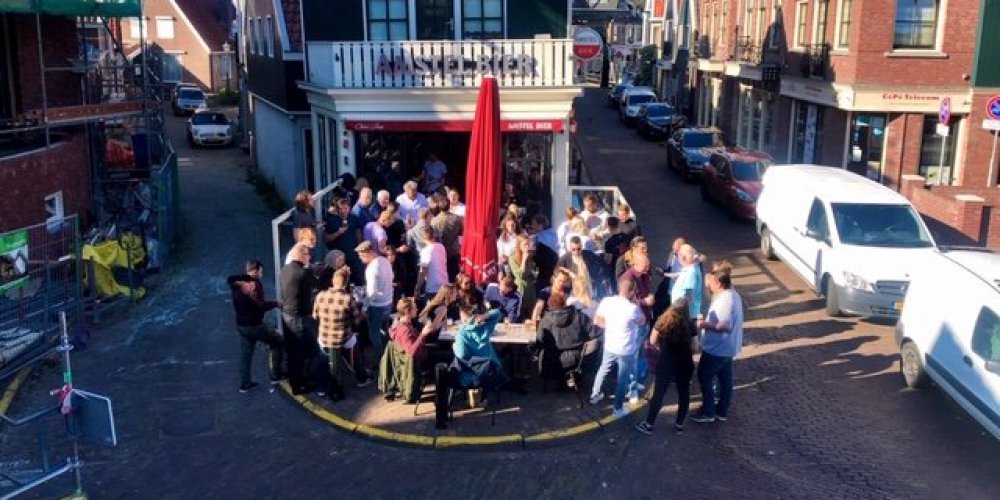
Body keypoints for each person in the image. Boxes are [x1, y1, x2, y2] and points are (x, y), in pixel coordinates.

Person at [433, 300, 506, 429]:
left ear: (462, 317)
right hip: (490, 372)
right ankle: (484, 396)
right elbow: (497, 313)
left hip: (470, 375)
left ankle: (459, 401)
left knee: (446, 371)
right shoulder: (485, 327)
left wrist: (454, 347)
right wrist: (485, 316)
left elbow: (461, 356)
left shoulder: (462, 334)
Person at [635, 297, 695, 435]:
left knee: (659, 393)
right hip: (685, 363)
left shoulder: (663, 321)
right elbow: (696, 346)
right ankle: (679, 425)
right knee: (684, 393)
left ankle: (649, 424)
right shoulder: (690, 325)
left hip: (666, 362)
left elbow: (652, 340)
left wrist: (661, 347)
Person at [692, 265, 744, 424]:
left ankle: (708, 411)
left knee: (704, 376)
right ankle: (722, 410)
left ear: (719, 283)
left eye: (711, 283)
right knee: (725, 379)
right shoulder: (733, 295)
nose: (709, 286)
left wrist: (702, 324)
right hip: (727, 348)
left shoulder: (725, 300)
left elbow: (723, 326)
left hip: (717, 348)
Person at [589, 276, 646, 419]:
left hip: (610, 344)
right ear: (631, 292)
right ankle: (617, 408)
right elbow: (642, 321)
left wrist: (611, 327)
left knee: (603, 368)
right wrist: (637, 304)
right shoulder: (632, 308)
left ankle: (595, 395)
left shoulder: (607, 301)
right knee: (622, 379)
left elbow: (597, 320)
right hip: (625, 349)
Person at [313, 269, 371, 401]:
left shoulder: (320, 295)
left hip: (324, 337)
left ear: (333, 281)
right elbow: (357, 321)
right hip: (342, 337)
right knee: (354, 352)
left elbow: (315, 315)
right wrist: (362, 314)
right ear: (345, 284)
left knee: (323, 360)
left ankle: (321, 388)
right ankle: (361, 377)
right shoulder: (347, 299)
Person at [227, 259, 284, 393]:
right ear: (255, 271)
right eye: (260, 271)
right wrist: (276, 304)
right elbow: (260, 306)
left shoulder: (237, 284)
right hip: (255, 325)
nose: (262, 274)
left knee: (246, 354)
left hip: (241, 325)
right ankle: (276, 375)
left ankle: (245, 383)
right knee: (278, 341)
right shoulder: (253, 285)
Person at [380, 297, 444, 403]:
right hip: (417, 363)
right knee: (447, 357)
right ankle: (444, 393)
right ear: (407, 311)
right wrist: (423, 334)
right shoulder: (404, 330)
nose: (417, 309)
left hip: (419, 356)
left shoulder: (402, 325)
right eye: (414, 308)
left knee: (443, 351)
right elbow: (411, 352)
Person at [532, 291, 597, 386]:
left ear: (549, 305)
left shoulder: (545, 320)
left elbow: (540, 340)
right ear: (565, 303)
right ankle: (573, 378)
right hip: (576, 359)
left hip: (551, 360)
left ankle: (559, 380)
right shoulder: (579, 316)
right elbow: (593, 334)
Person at [279, 243, 319, 395]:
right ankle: (299, 384)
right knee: (299, 352)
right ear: (301, 255)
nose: (309, 257)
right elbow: (308, 297)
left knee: (292, 351)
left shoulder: (285, 270)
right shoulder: (303, 273)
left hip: (286, 314)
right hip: (298, 317)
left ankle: (294, 379)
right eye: (308, 255)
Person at [356, 241, 394, 362]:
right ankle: (389, 356)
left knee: (374, 335)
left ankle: (380, 361)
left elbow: (372, 293)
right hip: (388, 302)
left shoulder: (371, 269)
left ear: (368, 253)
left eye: (361, 255)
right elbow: (391, 278)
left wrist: (364, 308)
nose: (360, 258)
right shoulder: (385, 261)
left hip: (377, 306)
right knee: (385, 332)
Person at [430, 193, 463, 280]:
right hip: (453, 250)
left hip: (440, 250)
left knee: (442, 274)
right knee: (453, 274)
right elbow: (461, 231)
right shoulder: (457, 218)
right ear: (449, 206)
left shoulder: (434, 221)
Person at [414, 226, 448, 303]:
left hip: (433, 287)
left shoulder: (425, 251)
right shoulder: (441, 246)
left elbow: (423, 271)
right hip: (444, 283)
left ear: (422, 238)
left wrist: (417, 288)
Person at [508, 235, 537, 321]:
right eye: (525, 244)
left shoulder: (530, 256)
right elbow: (520, 275)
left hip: (530, 287)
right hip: (521, 287)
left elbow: (532, 272)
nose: (527, 247)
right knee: (521, 312)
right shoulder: (512, 258)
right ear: (519, 245)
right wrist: (524, 259)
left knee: (531, 313)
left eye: (528, 244)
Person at [671, 243, 704, 319]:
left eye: (677, 255)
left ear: (683, 257)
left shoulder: (691, 272)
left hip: (686, 314)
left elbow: (688, 294)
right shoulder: (690, 268)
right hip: (686, 312)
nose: (677, 258)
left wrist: (682, 312)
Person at [325, 197, 362, 264]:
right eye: (341, 208)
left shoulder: (354, 218)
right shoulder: (332, 220)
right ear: (337, 209)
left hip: (352, 254)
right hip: (338, 257)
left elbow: (358, 232)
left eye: (345, 208)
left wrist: (359, 247)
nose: (343, 211)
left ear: (349, 208)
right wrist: (338, 232)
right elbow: (327, 239)